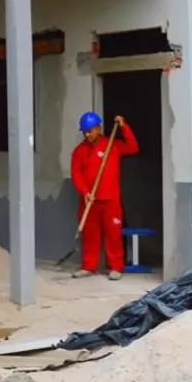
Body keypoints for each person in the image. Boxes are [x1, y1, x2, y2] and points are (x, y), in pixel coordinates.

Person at [71, 112, 139, 281]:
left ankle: (116, 267)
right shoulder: (79, 151)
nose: (87, 135)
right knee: (90, 235)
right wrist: (85, 192)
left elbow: (133, 147)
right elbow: (76, 174)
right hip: (90, 200)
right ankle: (88, 266)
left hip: (111, 200)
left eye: (90, 131)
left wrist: (124, 127)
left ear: (99, 129)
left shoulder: (112, 145)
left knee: (113, 234)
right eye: (85, 132)